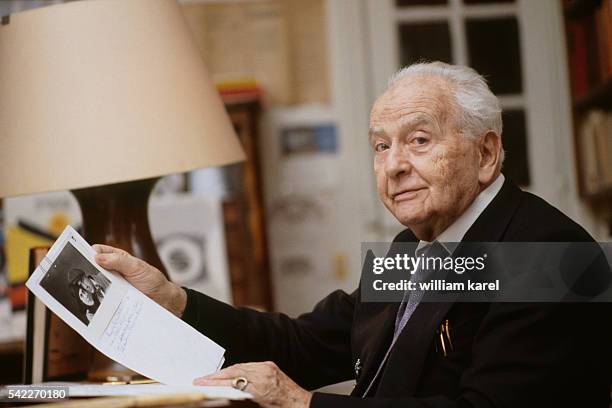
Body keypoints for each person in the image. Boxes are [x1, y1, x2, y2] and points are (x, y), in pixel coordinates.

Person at [93, 62, 612, 408]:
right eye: (381, 147)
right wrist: (175, 299)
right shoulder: (414, 248)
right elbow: (304, 344)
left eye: (419, 140)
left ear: (486, 154)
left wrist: (301, 402)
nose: (394, 166)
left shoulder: (555, 258)